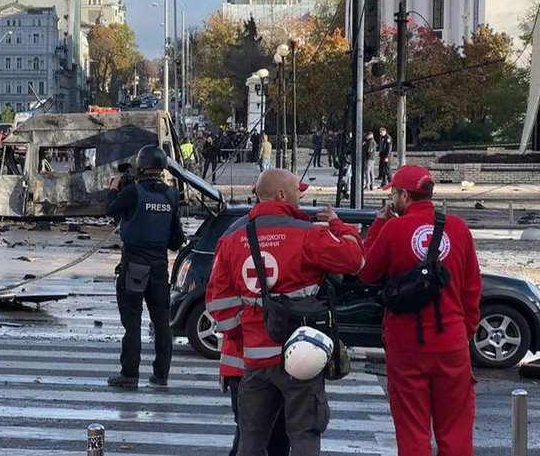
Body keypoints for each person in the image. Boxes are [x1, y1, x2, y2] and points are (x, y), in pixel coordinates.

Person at [207, 169, 364, 456]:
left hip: (255, 359)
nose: (300, 196)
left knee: (251, 439)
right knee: (304, 435)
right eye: (296, 191)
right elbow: (354, 260)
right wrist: (341, 226)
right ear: (281, 194)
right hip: (303, 356)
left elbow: (219, 304)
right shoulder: (309, 234)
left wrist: (246, 336)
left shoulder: (232, 240)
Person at [358, 165, 481, 456]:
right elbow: (472, 288)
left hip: (406, 343)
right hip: (451, 341)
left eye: (394, 194)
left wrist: (378, 225)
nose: (392, 200)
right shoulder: (458, 228)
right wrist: (464, 331)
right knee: (456, 430)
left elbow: (366, 272)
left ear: (404, 195)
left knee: (412, 429)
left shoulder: (394, 229)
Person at [105, 145, 185, 389]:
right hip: (160, 267)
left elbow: (110, 210)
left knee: (132, 323)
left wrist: (113, 189)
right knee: (161, 323)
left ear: (141, 165)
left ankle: (130, 374)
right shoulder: (171, 195)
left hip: (134, 266)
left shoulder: (133, 192)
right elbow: (175, 238)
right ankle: (161, 375)